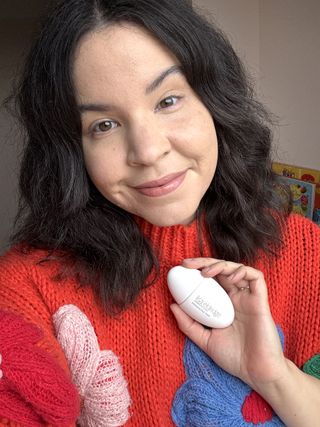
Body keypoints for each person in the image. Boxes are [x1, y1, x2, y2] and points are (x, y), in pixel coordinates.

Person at [0, 0, 319, 425]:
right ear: (72, 151)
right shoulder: (28, 287)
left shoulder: (306, 249)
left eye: (168, 100)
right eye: (104, 125)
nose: (148, 151)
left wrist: (274, 376)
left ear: (214, 101)